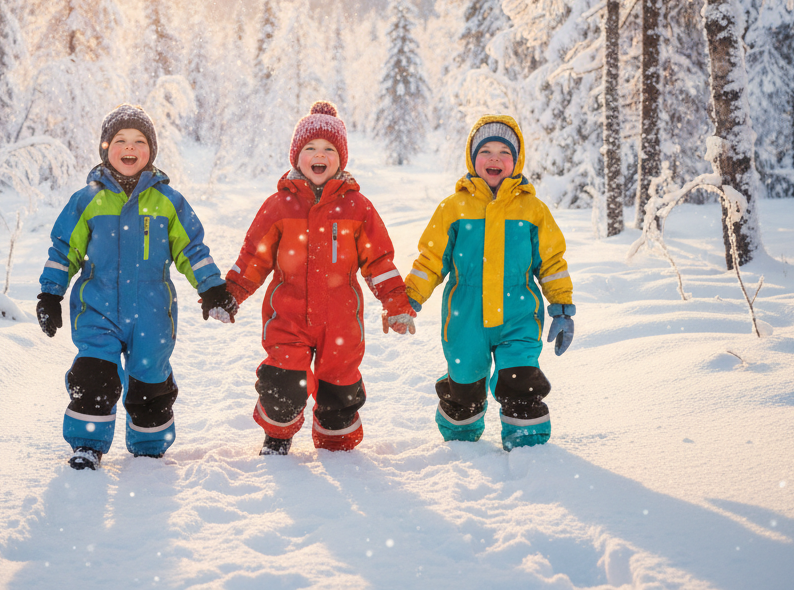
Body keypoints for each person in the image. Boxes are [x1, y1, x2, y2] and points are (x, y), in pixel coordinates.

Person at [35, 104, 238, 470]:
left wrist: (210, 287)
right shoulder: (87, 200)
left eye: (140, 141)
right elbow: (65, 249)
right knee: (93, 377)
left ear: (151, 151)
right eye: (121, 140)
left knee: (150, 382)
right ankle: (87, 445)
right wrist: (51, 292)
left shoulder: (168, 201)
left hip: (152, 312)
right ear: (105, 148)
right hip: (97, 309)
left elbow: (191, 248)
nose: (130, 148)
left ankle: (148, 447)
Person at [224, 102, 415, 455]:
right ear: (296, 156)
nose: (319, 155)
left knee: (339, 388)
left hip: (341, 320)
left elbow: (379, 261)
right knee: (282, 380)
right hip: (288, 315)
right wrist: (232, 292)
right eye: (310, 148)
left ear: (341, 159)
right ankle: (277, 436)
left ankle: (336, 445)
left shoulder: (358, 207)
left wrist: (396, 303)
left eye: (329, 149)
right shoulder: (278, 205)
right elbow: (254, 256)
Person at [404, 115, 575, 451]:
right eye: (486, 151)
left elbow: (552, 262)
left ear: (517, 160)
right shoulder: (454, 208)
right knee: (466, 381)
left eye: (504, 152)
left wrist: (562, 307)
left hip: (519, 313)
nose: (495, 158)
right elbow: (431, 260)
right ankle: (461, 438)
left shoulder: (533, 209)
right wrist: (411, 297)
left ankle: (528, 442)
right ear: (472, 158)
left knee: (521, 378)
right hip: (465, 316)